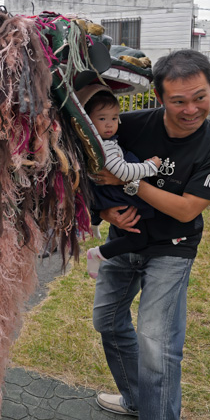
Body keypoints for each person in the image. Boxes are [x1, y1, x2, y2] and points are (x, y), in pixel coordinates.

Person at [91, 50, 210, 420]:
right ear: (158, 96)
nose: (191, 109)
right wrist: (103, 209)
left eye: (200, 97)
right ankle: (137, 400)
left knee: (158, 341)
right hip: (126, 240)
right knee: (107, 320)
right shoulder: (131, 127)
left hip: (173, 249)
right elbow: (93, 167)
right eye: (178, 100)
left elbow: (187, 208)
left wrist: (130, 182)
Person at [80, 86, 161, 278]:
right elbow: (123, 173)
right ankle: (98, 254)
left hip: (108, 195)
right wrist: (151, 166)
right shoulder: (106, 146)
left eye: (114, 118)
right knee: (139, 239)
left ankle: (94, 225)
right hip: (119, 196)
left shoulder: (96, 142)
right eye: (102, 118)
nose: (110, 124)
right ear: (88, 121)